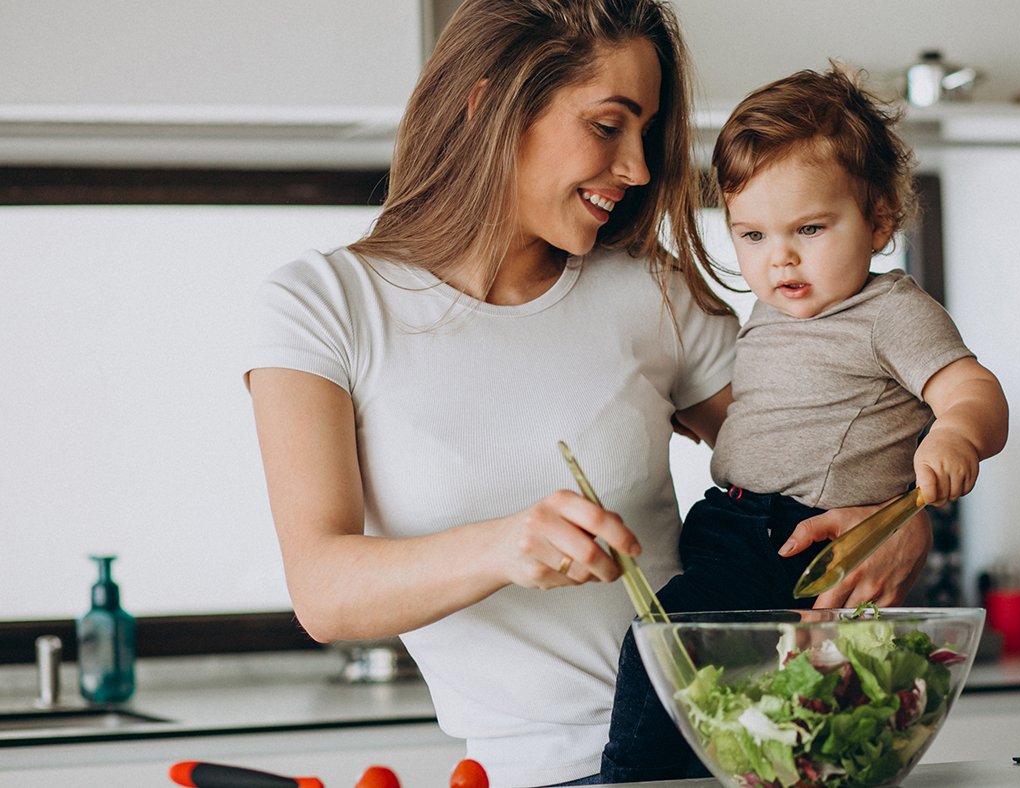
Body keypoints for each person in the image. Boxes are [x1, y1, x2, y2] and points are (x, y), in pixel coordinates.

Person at [244, 3, 932, 786]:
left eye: (645, 132)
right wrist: (504, 545)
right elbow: (325, 593)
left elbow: (820, 456)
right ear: (491, 106)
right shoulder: (325, 303)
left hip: (744, 748)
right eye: (609, 125)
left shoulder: (652, 292)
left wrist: (906, 520)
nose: (638, 168)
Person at [601, 67, 1010, 783]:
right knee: (762, 714)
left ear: (879, 221)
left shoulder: (891, 311)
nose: (779, 257)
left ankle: (630, 781)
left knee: (660, 644)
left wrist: (955, 433)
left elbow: (974, 390)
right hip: (728, 527)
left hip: (796, 544)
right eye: (752, 234)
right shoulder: (771, 307)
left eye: (810, 229)